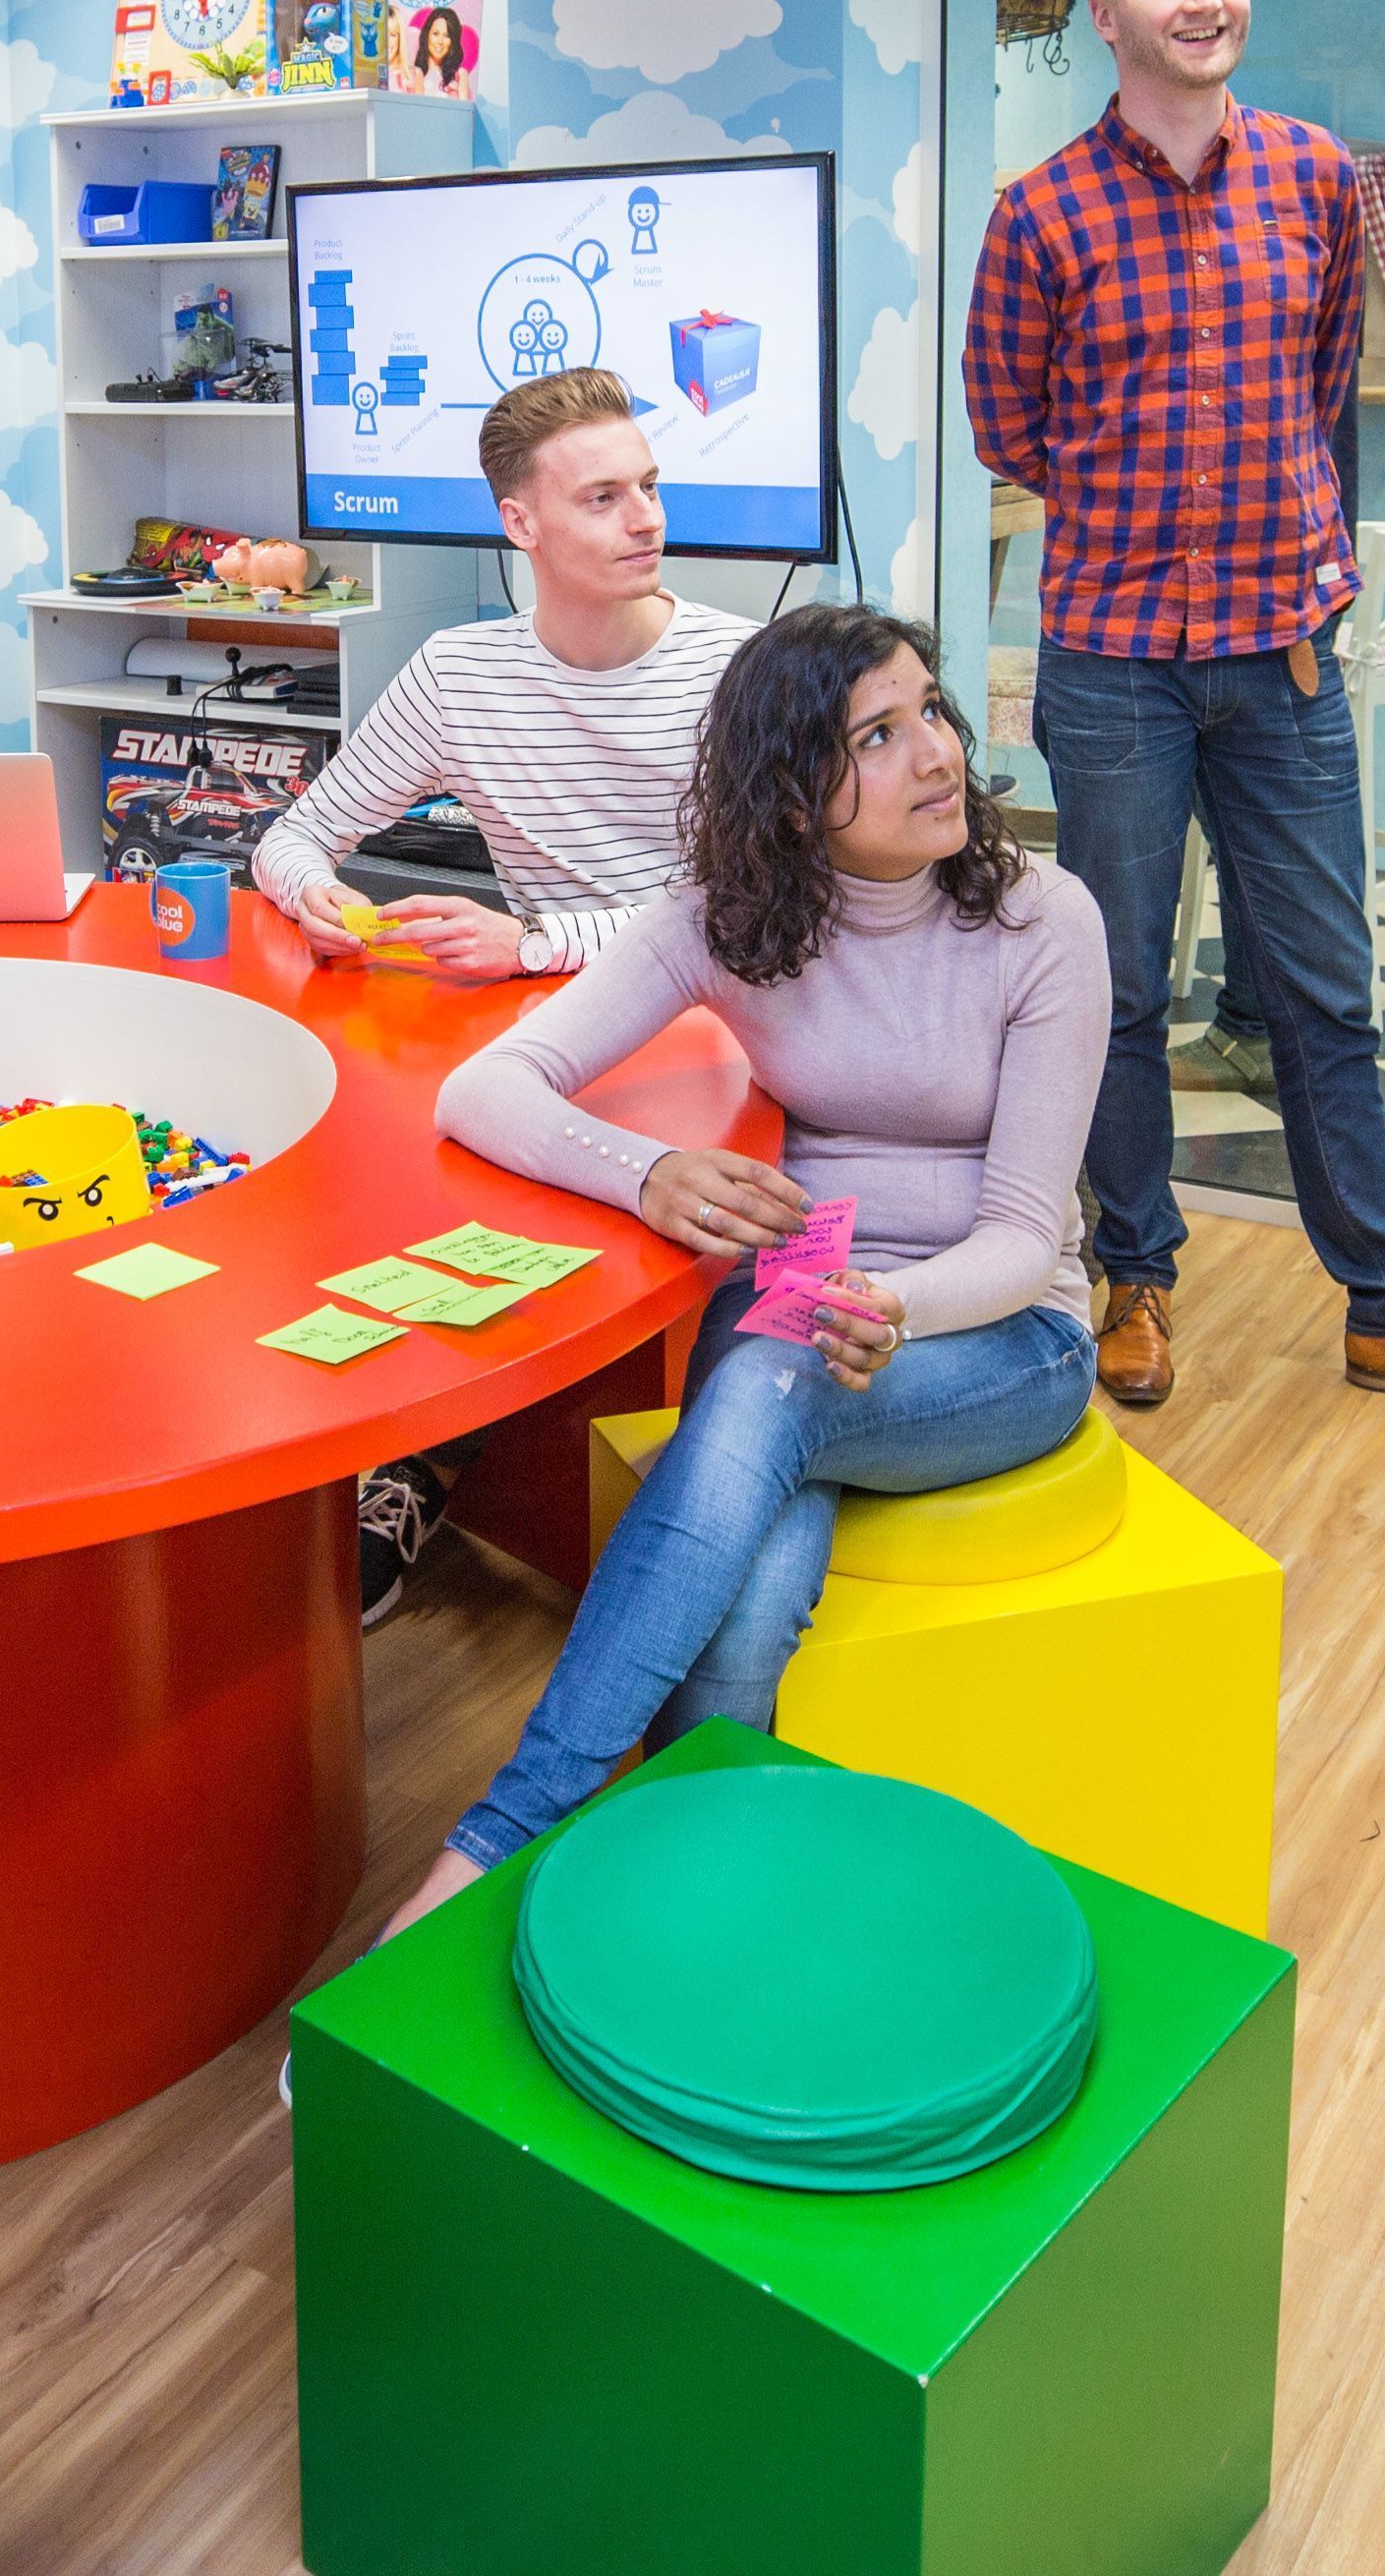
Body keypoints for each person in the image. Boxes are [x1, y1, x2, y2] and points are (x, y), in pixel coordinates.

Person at [966, 0, 1385, 1433]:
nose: (1206, 2)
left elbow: (1328, 396)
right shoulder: (1041, 211)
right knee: (1116, 992)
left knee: (1326, 991)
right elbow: (1009, 426)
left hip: (1286, 661)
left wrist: (1293, 555)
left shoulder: (1317, 178)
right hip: (1116, 664)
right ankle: (1137, 1276)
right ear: (1106, 14)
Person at [398, 606, 1108, 1934]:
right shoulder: (723, 920)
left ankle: (500, 1837)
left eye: (930, 712)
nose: (936, 754)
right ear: (789, 798)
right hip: (798, 1320)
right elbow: (481, 1088)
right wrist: (648, 1173)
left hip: (1000, 1335)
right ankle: (696, 1909)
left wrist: (897, 1306)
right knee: (738, 1604)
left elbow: (1024, 1239)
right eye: (877, 737)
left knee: (765, 1396)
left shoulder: (1042, 919)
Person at [250, 369, 762, 1617]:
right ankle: (398, 1450)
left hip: (726, 1031)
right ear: (520, 524)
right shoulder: (458, 674)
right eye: (604, 497)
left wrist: (532, 941)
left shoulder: (739, 670)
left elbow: (747, 911)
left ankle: (429, 1466)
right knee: (399, 1169)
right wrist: (320, 896)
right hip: (551, 1035)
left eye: (649, 487)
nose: (646, 518)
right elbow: (294, 835)